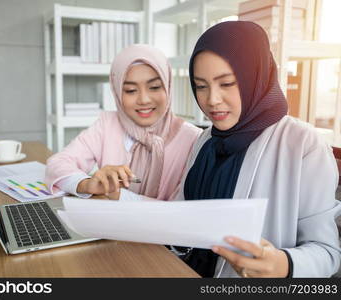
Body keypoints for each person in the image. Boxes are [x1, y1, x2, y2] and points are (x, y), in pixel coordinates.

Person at [119, 21, 341, 278]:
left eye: (226, 84)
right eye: (201, 86)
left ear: (256, 78)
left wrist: (283, 265)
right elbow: (181, 218)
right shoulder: (205, 140)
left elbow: (328, 253)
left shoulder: (303, 144)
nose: (211, 100)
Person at [45, 44, 201, 201]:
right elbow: (57, 163)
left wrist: (118, 195)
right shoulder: (107, 124)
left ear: (168, 86)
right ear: (117, 92)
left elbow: (181, 208)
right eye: (130, 91)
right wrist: (86, 184)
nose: (144, 100)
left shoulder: (194, 139)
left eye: (154, 87)